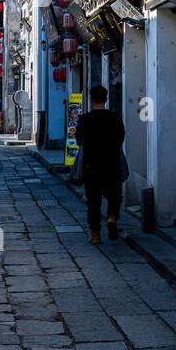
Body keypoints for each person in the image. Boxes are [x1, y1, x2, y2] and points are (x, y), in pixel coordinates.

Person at [75, 85, 127, 245]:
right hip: (112, 165)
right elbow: (120, 138)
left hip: (91, 167)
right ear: (106, 99)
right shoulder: (115, 118)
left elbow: (79, 141)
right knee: (115, 196)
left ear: (91, 99)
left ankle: (95, 233)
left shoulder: (84, 120)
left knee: (93, 201)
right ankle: (112, 217)